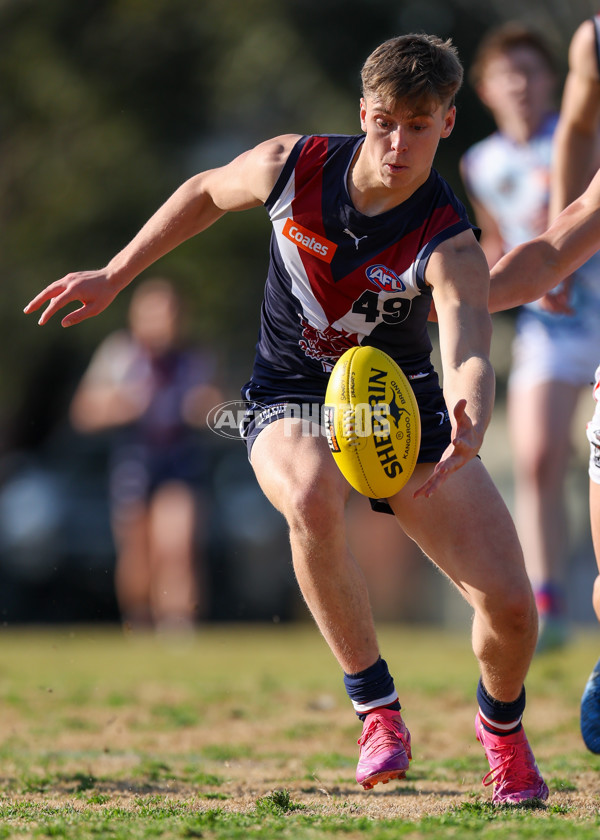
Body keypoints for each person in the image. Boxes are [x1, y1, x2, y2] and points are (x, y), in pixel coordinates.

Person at [24, 33, 548, 804]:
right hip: (289, 394)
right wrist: (115, 273)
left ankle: (500, 730)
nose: (398, 145)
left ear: (447, 121)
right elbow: (205, 191)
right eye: (385, 123)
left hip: (401, 413)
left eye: (419, 126)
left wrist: (471, 406)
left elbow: (469, 342)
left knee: (510, 608)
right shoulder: (292, 166)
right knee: (308, 494)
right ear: (362, 113)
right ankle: (378, 712)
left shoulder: (449, 240)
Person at [460, 23, 600, 653]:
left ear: (554, 81)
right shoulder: (480, 163)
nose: (520, 84)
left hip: (595, 308)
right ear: (485, 89)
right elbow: (497, 241)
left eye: (531, 71)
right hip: (547, 324)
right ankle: (547, 600)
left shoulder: (578, 131)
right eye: (506, 74)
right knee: (537, 456)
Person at [69, 277, 222, 634]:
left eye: (170, 313)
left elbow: (222, 410)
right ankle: (138, 623)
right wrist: (121, 405)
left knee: (178, 543)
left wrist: (205, 408)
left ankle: (178, 626)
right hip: (134, 461)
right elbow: (83, 412)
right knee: (137, 553)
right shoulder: (119, 354)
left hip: (180, 461)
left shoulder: (195, 359)